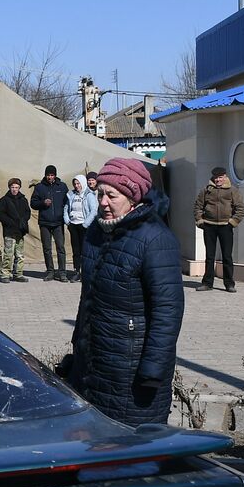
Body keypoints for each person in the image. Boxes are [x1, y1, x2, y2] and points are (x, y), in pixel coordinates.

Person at [67, 157, 183, 426]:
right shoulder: (97, 232)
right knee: (96, 444)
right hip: (95, 363)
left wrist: (152, 369)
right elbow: (89, 300)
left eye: (112, 195)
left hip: (132, 370)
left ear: (133, 197)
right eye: (100, 194)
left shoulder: (155, 239)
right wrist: (78, 352)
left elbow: (168, 310)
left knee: (132, 448)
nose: (104, 203)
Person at [193, 167, 244, 292]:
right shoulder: (206, 190)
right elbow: (198, 206)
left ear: (225, 177)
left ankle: (229, 284)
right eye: (216, 178)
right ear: (213, 178)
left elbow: (240, 209)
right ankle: (207, 283)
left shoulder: (233, 191)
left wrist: (232, 223)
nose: (218, 180)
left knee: (227, 256)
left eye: (220, 177)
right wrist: (200, 221)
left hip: (226, 227)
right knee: (209, 256)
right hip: (209, 226)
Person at [30, 165, 69, 281]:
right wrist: (42, 203)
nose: (50, 177)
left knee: (60, 248)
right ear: (45, 175)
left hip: (58, 223)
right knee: (47, 248)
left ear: (55, 175)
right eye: (48, 175)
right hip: (45, 223)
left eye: (52, 175)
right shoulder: (39, 187)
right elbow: (33, 203)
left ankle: (62, 272)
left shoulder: (62, 186)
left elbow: (67, 202)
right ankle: (50, 271)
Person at [0, 177, 32, 283]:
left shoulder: (23, 200)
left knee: (20, 254)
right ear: (9, 188)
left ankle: (18, 274)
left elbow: (27, 212)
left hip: (20, 231)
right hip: (9, 231)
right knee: (8, 254)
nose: (14, 189)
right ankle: (5, 274)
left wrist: (23, 221)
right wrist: (10, 222)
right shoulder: (4, 200)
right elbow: (0, 214)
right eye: (12, 187)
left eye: (16, 187)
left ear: (19, 188)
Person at [65, 174, 98, 282]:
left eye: (78, 183)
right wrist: (67, 221)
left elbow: (94, 210)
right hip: (73, 224)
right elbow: (66, 208)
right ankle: (76, 271)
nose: (76, 185)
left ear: (82, 183)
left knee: (85, 250)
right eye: (75, 183)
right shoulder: (71, 194)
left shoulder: (89, 195)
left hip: (84, 225)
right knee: (76, 250)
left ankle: (86, 272)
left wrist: (86, 224)